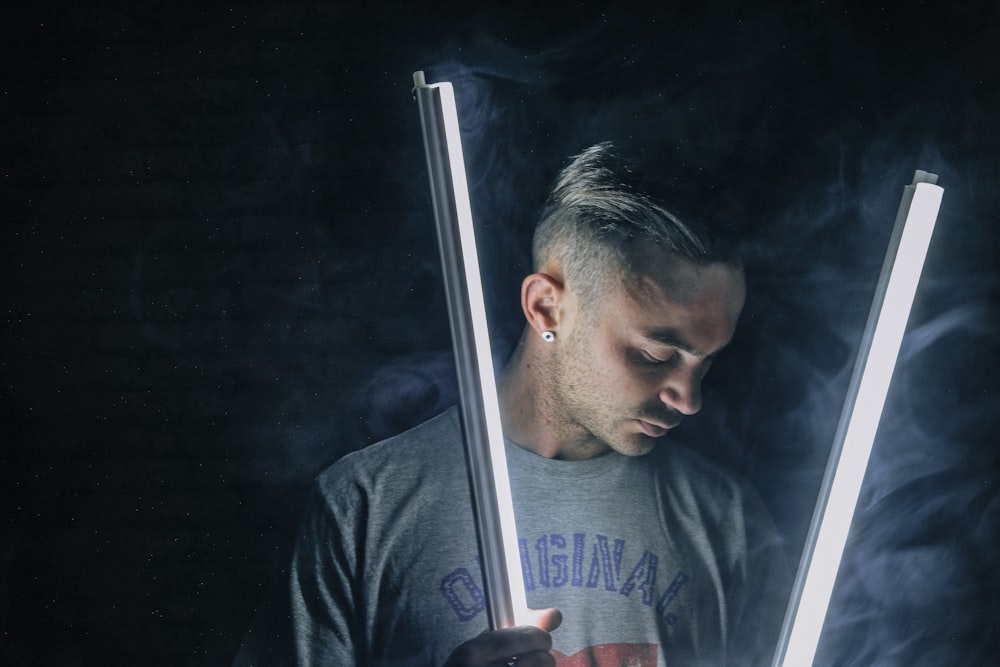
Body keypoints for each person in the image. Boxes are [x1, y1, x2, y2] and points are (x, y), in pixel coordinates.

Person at [236, 142, 790, 666]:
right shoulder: (365, 507)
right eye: (653, 354)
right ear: (547, 308)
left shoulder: (728, 522)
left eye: (707, 360)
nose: (688, 400)